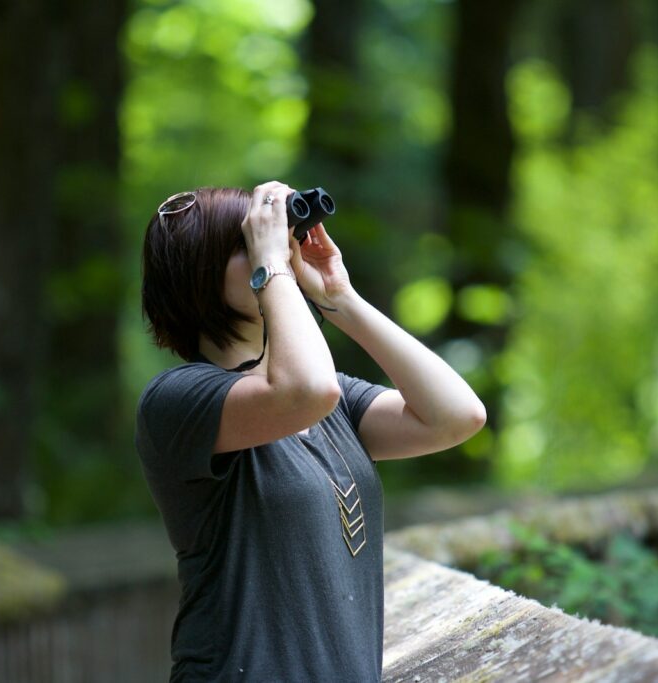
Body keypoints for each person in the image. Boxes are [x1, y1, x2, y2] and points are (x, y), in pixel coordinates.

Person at [136, 181, 486, 681]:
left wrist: (340, 297)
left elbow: (456, 416)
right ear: (199, 273)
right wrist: (273, 267)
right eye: (251, 242)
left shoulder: (327, 397)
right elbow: (304, 391)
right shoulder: (177, 400)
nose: (279, 247)